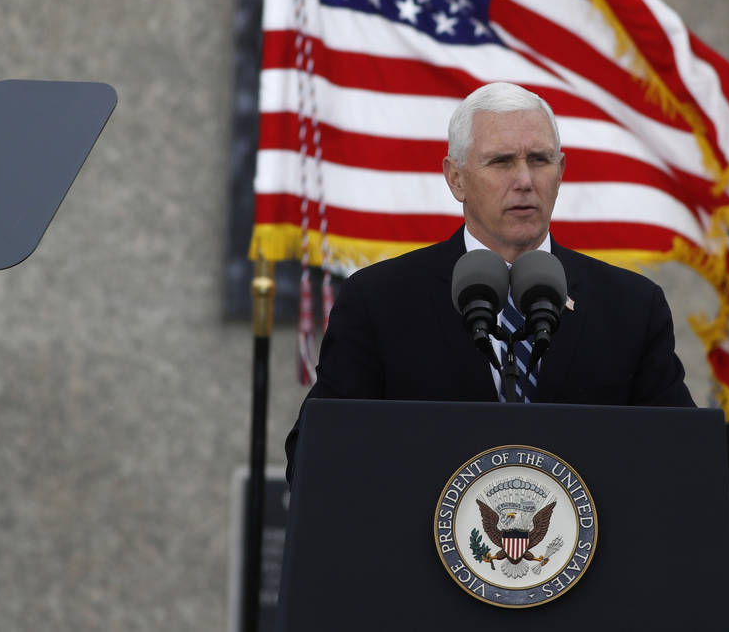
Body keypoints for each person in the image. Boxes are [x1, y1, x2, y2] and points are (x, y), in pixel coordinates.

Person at [284, 82, 695, 480]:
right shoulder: (379, 302)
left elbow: (682, 459)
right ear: (456, 178)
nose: (524, 181)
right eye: (500, 162)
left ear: (561, 171)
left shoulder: (631, 308)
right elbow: (318, 455)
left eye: (539, 160)